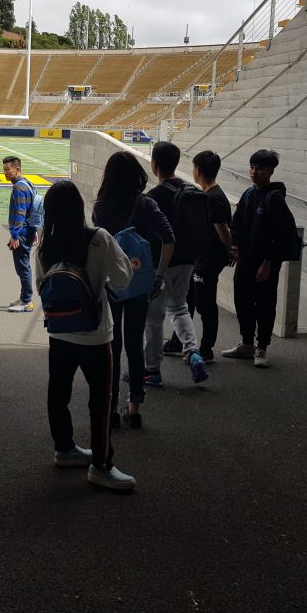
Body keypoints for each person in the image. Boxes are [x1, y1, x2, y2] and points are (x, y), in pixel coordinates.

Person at [34, 180, 136, 491]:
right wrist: (126, 266)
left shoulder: (43, 247)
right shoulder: (99, 239)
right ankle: (101, 465)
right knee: (101, 400)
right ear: (79, 207)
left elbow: (42, 287)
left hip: (60, 333)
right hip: (95, 335)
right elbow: (122, 281)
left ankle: (64, 448)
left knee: (58, 392)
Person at [92, 151, 176, 430]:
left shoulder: (101, 206)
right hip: (140, 283)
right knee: (135, 346)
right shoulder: (147, 204)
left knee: (111, 347)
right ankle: (135, 409)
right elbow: (169, 238)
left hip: (112, 285)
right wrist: (159, 275)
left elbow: (100, 247)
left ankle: (112, 408)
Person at [142, 141, 209, 387]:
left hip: (162, 264)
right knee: (179, 308)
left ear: (155, 165)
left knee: (154, 318)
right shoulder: (190, 190)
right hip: (188, 260)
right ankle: (192, 351)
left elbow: (150, 235)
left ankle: (151, 370)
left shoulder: (154, 196)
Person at [221, 149, 295, 368]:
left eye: (260, 169)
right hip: (246, 260)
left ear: (271, 171)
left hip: (264, 264)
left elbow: (281, 235)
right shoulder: (249, 194)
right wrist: (234, 245)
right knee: (242, 301)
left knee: (264, 304)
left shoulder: (275, 199)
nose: (254, 172)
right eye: (252, 167)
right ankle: (246, 343)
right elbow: (237, 221)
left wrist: (268, 263)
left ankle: (262, 347)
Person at [162, 151, 236, 362]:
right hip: (201, 258)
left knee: (205, 304)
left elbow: (222, 231)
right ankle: (179, 342)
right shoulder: (212, 195)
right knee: (188, 299)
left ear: (198, 171)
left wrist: (230, 250)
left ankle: (206, 349)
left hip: (207, 260)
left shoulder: (213, 199)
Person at [2, 156, 38, 313]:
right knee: (23, 266)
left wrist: (15, 235)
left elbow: (21, 212)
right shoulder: (28, 183)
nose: (5, 173)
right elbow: (33, 210)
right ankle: (24, 297)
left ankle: (27, 301)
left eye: (7, 169)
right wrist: (34, 230)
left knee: (22, 267)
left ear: (17, 169)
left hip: (22, 233)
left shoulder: (18, 187)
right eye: (4, 170)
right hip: (28, 230)